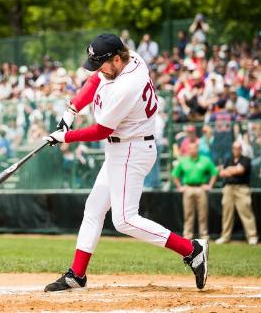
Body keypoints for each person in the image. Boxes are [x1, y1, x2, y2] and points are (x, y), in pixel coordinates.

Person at [44, 33, 209, 292]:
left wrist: (65, 136)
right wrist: (71, 110)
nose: (98, 69)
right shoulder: (128, 60)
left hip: (132, 149)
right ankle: (77, 275)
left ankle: (192, 249)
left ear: (118, 59)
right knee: (94, 208)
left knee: (124, 220)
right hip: (122, 148)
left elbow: (101, 131)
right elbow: (95, 79)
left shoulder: (126, 86)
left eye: (102, 63)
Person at [172, 142, 218, 240]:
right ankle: (187, 235)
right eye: (191, 148)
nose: (193, 150)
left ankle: (204, 235)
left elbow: (214, 172)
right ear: (189, 150)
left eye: (194, 148)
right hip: (188, 188)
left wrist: (210, 186)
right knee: (188, 214)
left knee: (203, 213)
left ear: (197, 149)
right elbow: (175, 175)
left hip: (201, 188)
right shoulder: (183, 161)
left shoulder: (205, 160)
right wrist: (179, 187)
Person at [216, 142, 258, 245]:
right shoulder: (228, 159)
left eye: (238, 148)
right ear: (232, 149)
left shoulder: (246, 160)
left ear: (241, 149)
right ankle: (225, 236)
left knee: (246, 213)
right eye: (234, 148)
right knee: (227, 213)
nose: (236, 150)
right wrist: (232, 170)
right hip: (228, 188)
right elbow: (221, 173)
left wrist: (229, 170)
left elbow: (241, 171)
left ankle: (252, 236)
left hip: (241, 189)